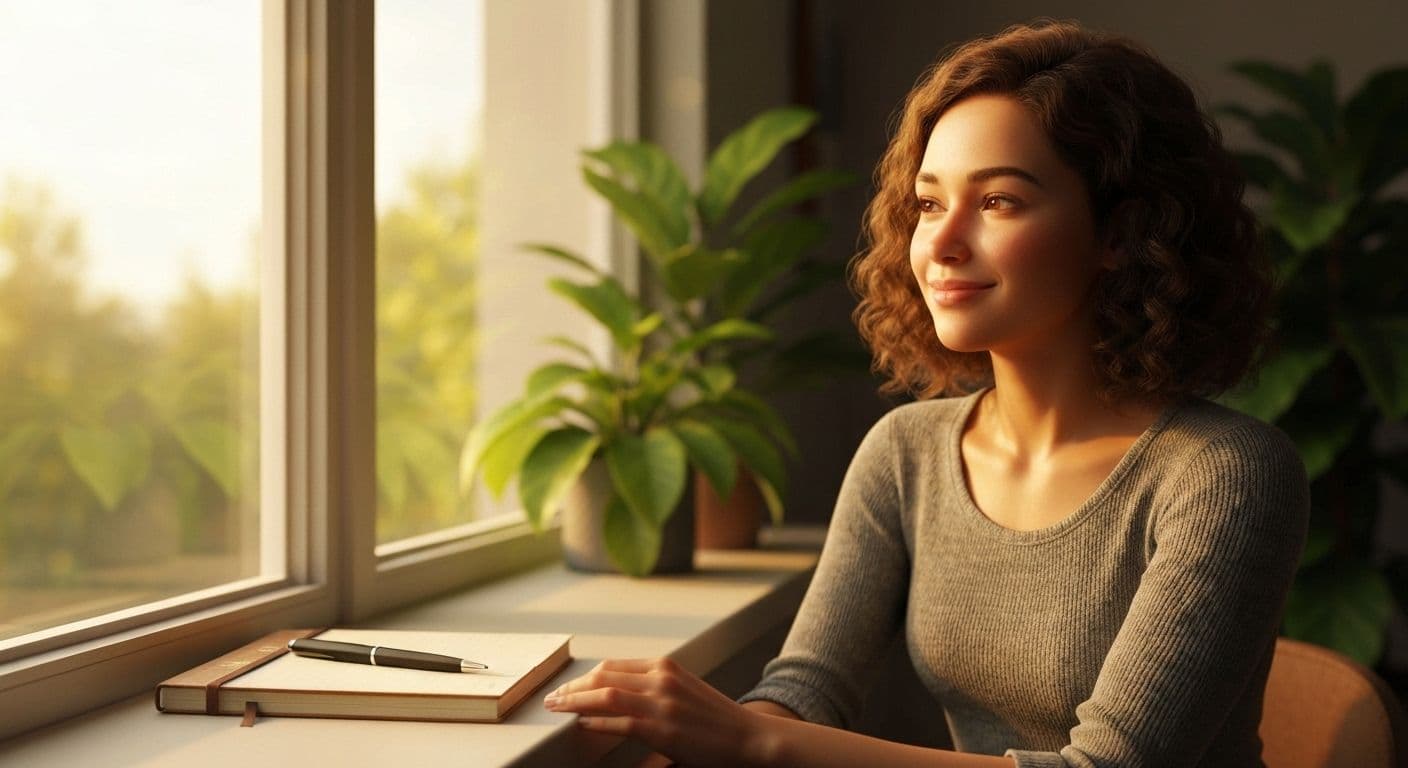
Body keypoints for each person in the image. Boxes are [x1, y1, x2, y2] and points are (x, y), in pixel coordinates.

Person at [542, 19, 1309, 767]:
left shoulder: (1225, 474)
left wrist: (751, 740)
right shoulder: (904, 452)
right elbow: (807, 690)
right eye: (930, 203)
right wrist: (706, 729)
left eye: (999, 201)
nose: (939, 244)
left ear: (1121, 234)